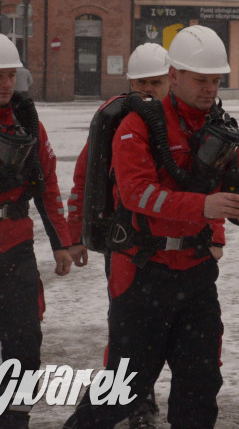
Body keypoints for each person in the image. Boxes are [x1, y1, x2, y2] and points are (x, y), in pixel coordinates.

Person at [64, 25, 239, 429]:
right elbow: (137, 195)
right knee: (122, 393)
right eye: (200, 80)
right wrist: (205, 205)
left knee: (200, 390)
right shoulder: (137, 125)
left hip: (196, 270)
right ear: (175, 76)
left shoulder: (218, 124)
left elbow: (234, 181)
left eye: (216, 81)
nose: (209, 89)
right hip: (142, 271)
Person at [64, 42, 171, 429]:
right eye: (142, 82)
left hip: (168, 244)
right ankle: (130, 396)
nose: (149, 89)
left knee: (164, 327)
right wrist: (77, 233)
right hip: (124, 242)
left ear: (170, 80)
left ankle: (137, 391)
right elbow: (84, 178)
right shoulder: (112, 121)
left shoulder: (178, 120)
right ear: (130, 82)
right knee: (124, 326)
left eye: (156, 82)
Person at [0, 32, 72, 428]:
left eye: (10, 75)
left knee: (25, 349)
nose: (5, 84)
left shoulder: (27, 121)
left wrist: (62, 243)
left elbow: (47, 184)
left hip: (16, 251)